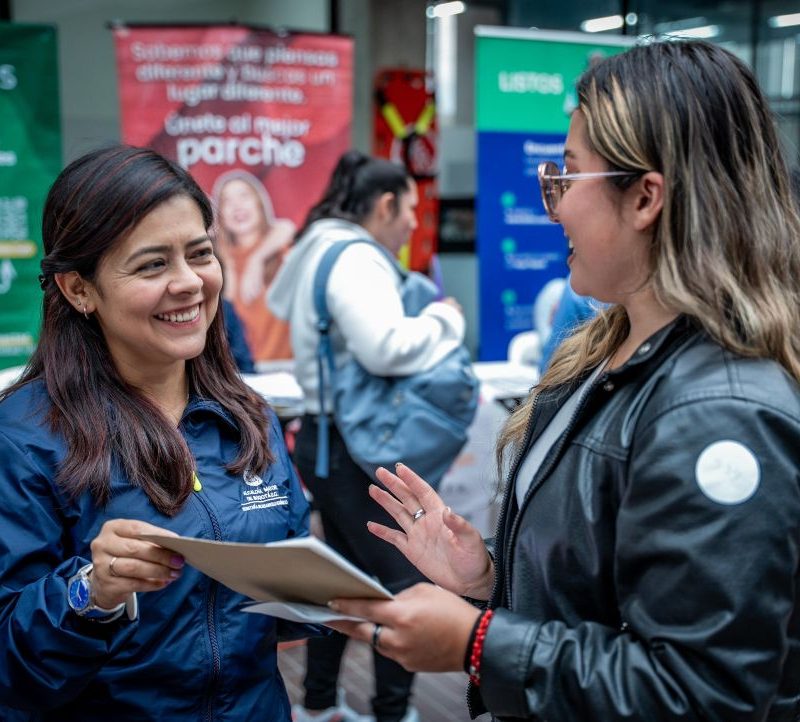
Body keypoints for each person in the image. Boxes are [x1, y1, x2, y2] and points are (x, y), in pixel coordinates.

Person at [325, 40, 800, 721]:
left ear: (645, 198)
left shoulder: (720, 409)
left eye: (568, 177)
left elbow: (699, 691)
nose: (555, 206)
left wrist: (478, 642)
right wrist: (491, 574)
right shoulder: (605, 353)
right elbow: (608, 585)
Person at [0, 146, 316, 721]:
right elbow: (8, 668)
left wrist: (350, 601)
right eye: (152, 265)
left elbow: (284, 606)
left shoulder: (249, 415)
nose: (189, 283)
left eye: (200, 254)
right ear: (78, 289)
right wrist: (88, 593)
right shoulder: (23, 439)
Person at [268, 150, 466, 722]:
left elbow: (282, 306)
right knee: (403, 584)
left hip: (327, 440)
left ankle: (319, 704)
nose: (411, 222)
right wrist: (446, 318)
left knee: (345, 582)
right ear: (384, 205)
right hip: (358, 446)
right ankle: (392, 712)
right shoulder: (356, 255)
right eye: (409, 208)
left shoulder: (315, 246)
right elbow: (386, 348)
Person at [213, 169, 295, 362]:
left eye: (244, 196)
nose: (237, 206)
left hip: (285, 368)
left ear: (260, 202)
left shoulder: (283, 250)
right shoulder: (217, 259)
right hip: (239, 369)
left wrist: (257, 259)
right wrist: (229, 266)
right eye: (227, 201)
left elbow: (287, 227)